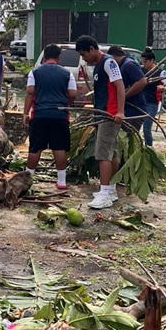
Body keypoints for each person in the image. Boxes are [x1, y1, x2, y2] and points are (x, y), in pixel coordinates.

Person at [75, 35, 125, 210]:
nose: (83, 58)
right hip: (102, 114)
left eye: (84, 54)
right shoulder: (98, 66)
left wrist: (119, 110)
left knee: (102, 154)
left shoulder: (108, 62)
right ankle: (110, 189)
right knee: (111, 152)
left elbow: (119, 86)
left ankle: (104, 193)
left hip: (109, 115)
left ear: (92, 49)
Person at [24, 43, 77, 189]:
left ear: (44, 57)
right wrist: (66, 103)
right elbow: (73, 94)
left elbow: (30, 92)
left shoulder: (34, 72)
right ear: (58, 57)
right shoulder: (67, 73)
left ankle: (28, 178)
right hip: (60, 115)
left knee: (35, 147)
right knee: (59, 147)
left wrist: (25, 113)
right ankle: (61, 181)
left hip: (39, 114)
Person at [106, 46, 147, 131]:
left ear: (113, 56)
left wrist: (123, 96)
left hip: (134, 110)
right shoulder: (121, 66)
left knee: (129, 139)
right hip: (127, 109)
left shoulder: (129, 64)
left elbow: (142, 81)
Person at [140, 48, 166, 147]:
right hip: (140, 101)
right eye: (142, 62)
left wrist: (163, 88)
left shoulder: (160, 73)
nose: (144, 64)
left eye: (145, 62)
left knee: (146, 128)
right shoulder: (141, 70)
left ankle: (149, 149)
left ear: (152, 61)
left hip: (151, 103)